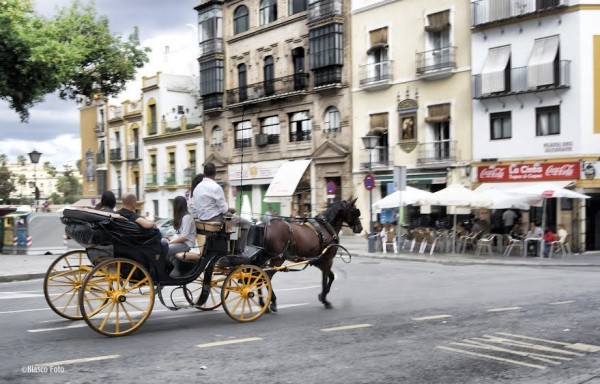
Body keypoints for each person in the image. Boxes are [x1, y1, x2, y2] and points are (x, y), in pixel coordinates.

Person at [192, 162, 251, 254]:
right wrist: (230, 210)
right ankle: (237, 250)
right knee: (245, 223)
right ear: (215, 173)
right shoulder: (216, 187)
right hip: (215, 218)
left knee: (231, 220)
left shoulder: (197, 188)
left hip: (202, 218)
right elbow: (224, 209)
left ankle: (230, 244)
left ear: (204, 173)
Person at [163, 196, 196, 261]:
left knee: (163, 249)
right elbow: (178, 234)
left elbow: (184, 237)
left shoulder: (187, 217)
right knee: (161, 243)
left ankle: (165, 268)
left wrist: (171, 242)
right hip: (181, 243)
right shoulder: (181, 217)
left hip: (187, 244)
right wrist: (169, 239)